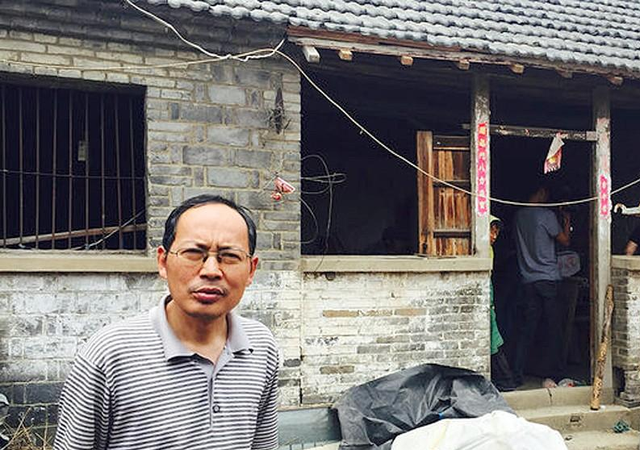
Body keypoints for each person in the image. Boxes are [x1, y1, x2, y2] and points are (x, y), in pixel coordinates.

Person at [54, 195, 279, 450]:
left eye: (229, 256)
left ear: (251, 270)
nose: (211, 271)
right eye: (194, 253)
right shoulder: (109, 355)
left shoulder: (261, 347)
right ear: (162, 262)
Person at [513, 183, 571, 388]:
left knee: (528, 329)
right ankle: (555, 374)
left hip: (528, 279)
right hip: (548, 279)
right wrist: (567, 220)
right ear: (541, 192)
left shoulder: (519, 216)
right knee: (554, 329)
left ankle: (517, 372)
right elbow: (565, 241)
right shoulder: (546, 215)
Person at [489, 216, 516, 392]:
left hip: (490, 301)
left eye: (496, 232)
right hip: (488, 300)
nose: (494, 236)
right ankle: (505, 380)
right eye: (491, 231)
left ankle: (506, 381)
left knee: (494, 343)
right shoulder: (486, 251)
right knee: (494, 342)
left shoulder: (490, 250)